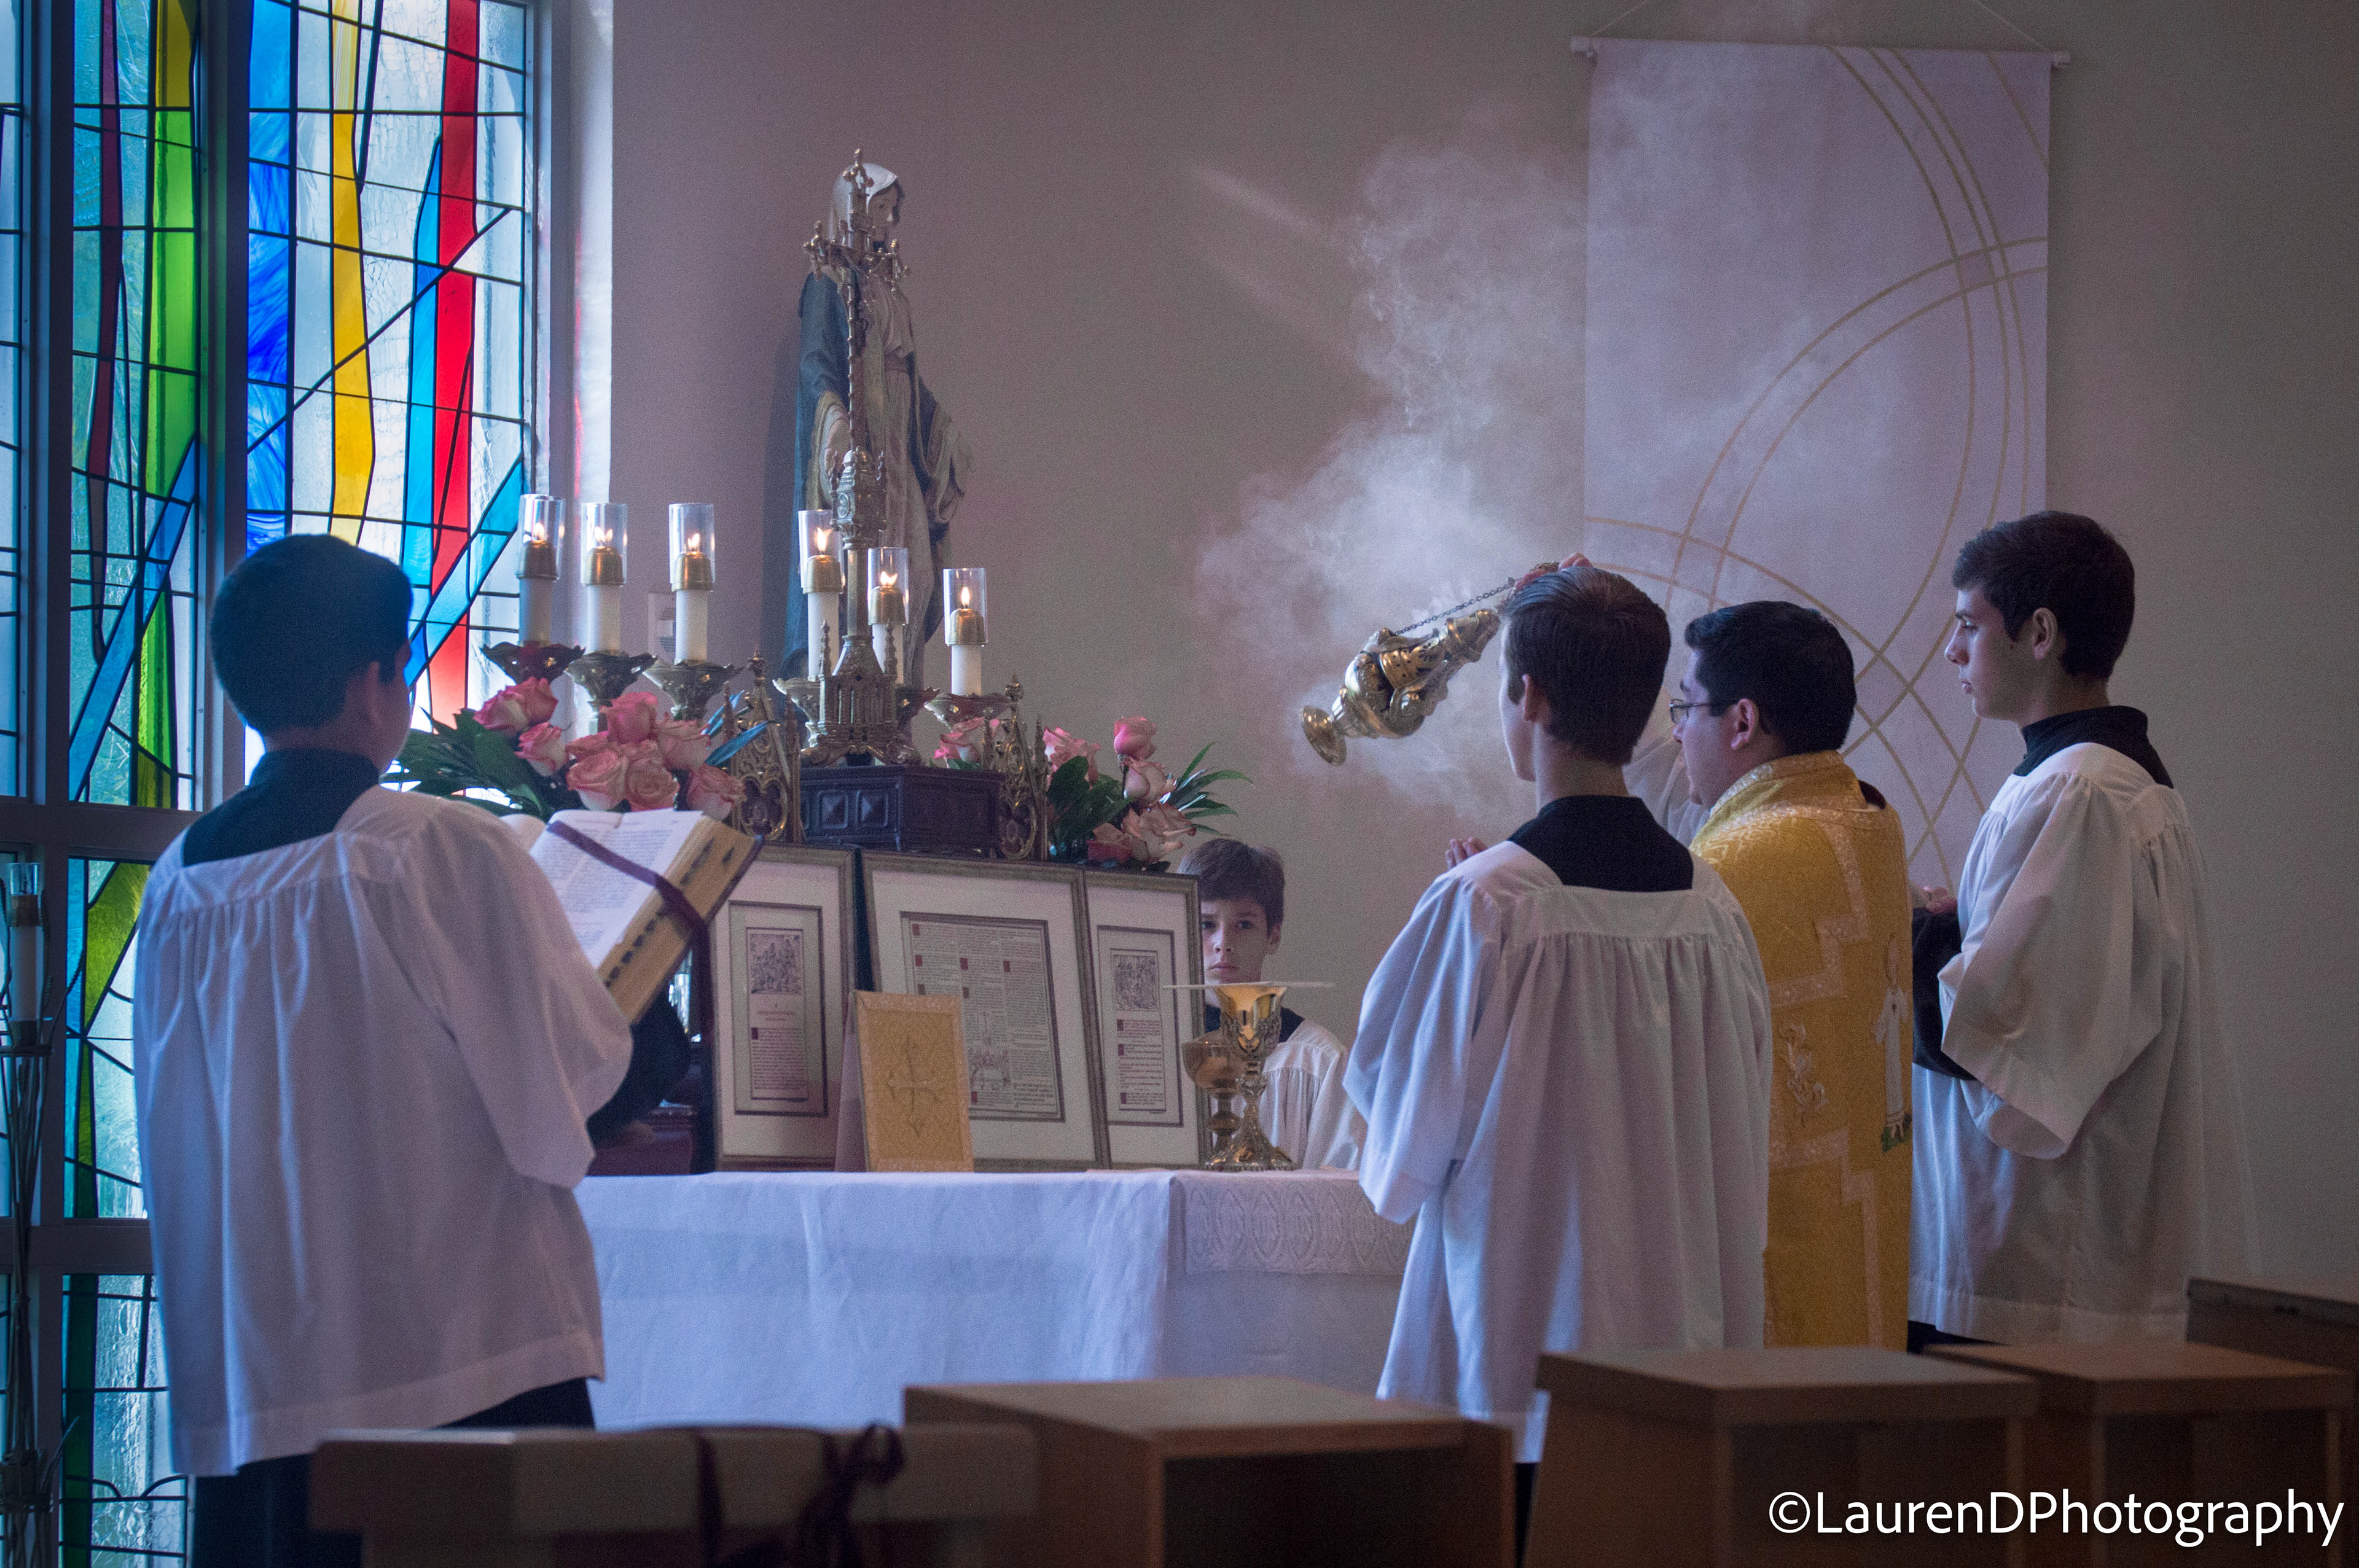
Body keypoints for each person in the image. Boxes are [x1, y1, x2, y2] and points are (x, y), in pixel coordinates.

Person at [135, 536, 634, 1568]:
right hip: (454, 1365)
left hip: (260, 1368)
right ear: (373, 682)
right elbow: (567, 1093)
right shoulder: (427, 846)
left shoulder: (179, 880)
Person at [1347, 565, 1772, 1537]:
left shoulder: (1487, 903)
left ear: (1529, 695)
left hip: (1517, 1361)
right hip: (1682, 1358)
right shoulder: (1713, 909)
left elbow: (1402, 1150)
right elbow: (1745, 1132)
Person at [1912, 510, 2251, 1346]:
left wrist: (1904, 933)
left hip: (2042, 1268)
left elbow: (2009, 1043)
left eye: (1969, 625)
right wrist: (1957, 932)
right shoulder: (2087, 784)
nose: (1953, 652)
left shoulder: (2082, 794)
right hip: (2037, 1262)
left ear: (2039, 633)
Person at [1676, 600, 1914, 1348]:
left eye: (1686, 708)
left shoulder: (1729, 866)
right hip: (1865, 1232)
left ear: (1742, 722)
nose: (1677, 733)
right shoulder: (1869, 823)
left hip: (1781, 1245)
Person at [764, 159, 970, 687]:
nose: (889, 222)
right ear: (850, 208)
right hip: (860, 451)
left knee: (917, 577)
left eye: (893, 211)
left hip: (900, 450)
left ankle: (899, 703)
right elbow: (816, 364)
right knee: (857, 580)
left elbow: (908, 374)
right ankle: (854, 705)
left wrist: (942, 434)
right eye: (881, 208)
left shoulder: (891, 291)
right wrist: (834, 422)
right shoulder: (826, 282)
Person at [1176, 838, 1363, 1171]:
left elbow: (1339, 1181)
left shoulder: (1316, 1058)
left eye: (1243, 924)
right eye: (1206, 925)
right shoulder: (1154, 1050)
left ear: (1273, 936)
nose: (1223, 944)